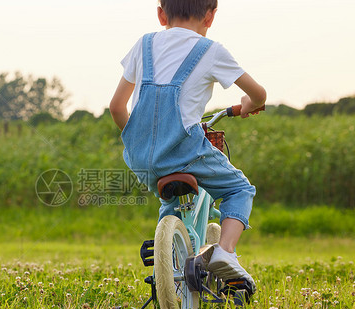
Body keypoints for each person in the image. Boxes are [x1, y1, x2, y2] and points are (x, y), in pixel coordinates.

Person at [109, 0, 266, 289]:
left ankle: (166, 267)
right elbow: (259, 93)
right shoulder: (212, 51)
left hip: (141, 156)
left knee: (169, 200)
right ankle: (225, 253)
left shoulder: (143, 45)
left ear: (161, 14)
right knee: (239, 188)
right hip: (185, 151)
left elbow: (117, 108)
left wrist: (142, 141)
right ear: (211, 16)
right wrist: (249, 104)